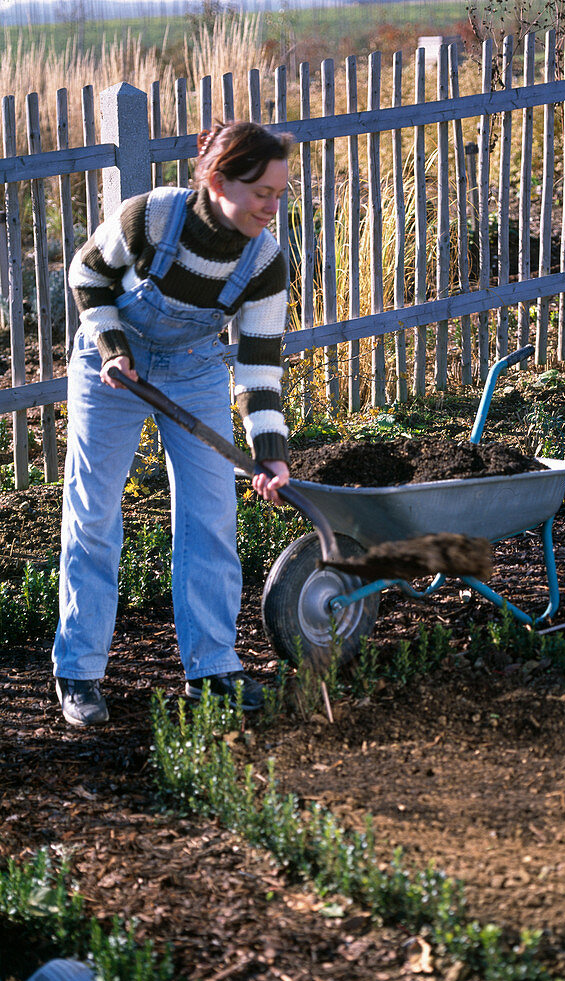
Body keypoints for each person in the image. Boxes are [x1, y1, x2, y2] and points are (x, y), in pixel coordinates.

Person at [52, 120, 292, 727]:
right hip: (114, 369)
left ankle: (212, 667)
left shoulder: (264, 261)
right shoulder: (151, 218)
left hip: (193, 370)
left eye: (280, 193)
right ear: (217, 180)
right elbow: (86, 275)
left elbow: (258, 365)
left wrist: (270, 450)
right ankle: (79, 670)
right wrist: (110, 345)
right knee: (95, 512)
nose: (272, 206)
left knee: (211, 516)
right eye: (262, 192)